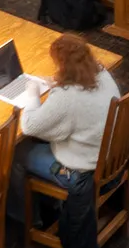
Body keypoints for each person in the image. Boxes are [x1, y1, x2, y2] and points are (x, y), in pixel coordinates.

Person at [7, 33, 120, 221]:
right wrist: (55, 82)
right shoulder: (102, 73)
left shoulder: (67, 97)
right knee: (43, 135)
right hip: (108, 157)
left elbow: (29, 125)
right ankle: (48, 202)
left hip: (80, 172)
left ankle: (26, 219)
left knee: (14, 152)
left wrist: (32, 93)